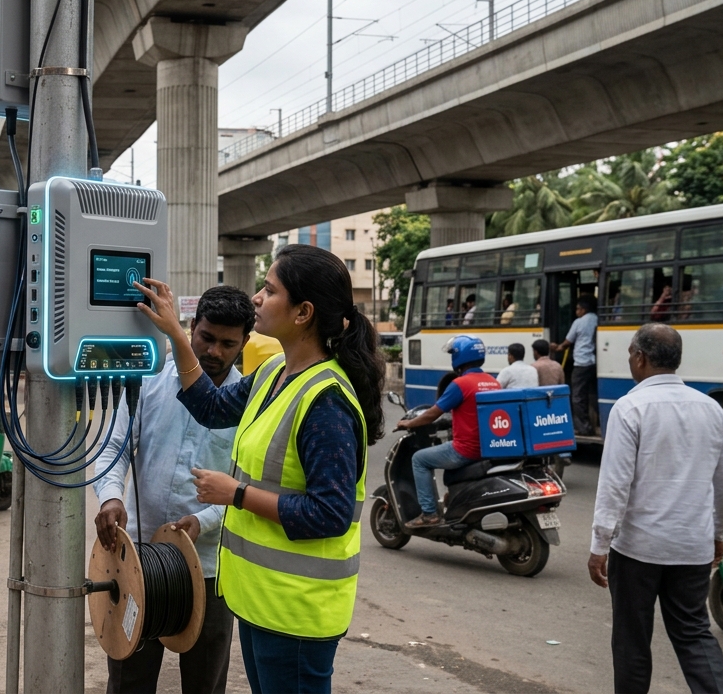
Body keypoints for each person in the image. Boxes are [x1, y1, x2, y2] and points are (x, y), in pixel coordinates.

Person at [133, 245, 387, 694]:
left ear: (303, 312)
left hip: (296, 612)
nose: (256, 298)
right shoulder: (274, 372)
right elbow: (210, 407)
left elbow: (330, 513)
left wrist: (236, 494)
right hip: (258, 599)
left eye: (269, 290)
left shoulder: (325, 400)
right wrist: (176, 333)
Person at [94, 285, 254, 694]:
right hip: (138, 562)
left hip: (211, 570)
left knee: (204, 684)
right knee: (128, 680)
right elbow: (115, 445)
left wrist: (203, 521)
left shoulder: (252, 403)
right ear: (190, 327)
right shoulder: (148, 380)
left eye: (227, 343)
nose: (214, 351)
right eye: (206, 337)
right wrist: (111, 496)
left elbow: (249, 489)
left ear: (244, 343)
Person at [588, 324, 723, 693]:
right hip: (692, 547)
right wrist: (718, 533)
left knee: (632, 639)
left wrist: (599, 545)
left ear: (640, 357)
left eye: (629, 355)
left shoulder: (629, 407)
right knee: (694, 634)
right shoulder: (712, 410)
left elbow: (614, 485)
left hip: (639, 550)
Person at [395, 335, 500, 528]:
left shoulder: (460, 384)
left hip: (465, 450)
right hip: (488, 449)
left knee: (419, 459)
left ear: (459, 358)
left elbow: (433, 414)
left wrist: (409, 424)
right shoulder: (492, 382)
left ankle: (429, 513)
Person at [552, 296, 599, 436]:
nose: (576, 311)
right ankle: (598, 423)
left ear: (583, 309)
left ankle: (584, 428)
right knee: (592, 394)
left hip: (581, 363)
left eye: (578, 309)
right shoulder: (597, 318)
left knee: (578, 396)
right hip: (593, 362)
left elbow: (567, 342)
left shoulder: (579, 322)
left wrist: (557, 347)